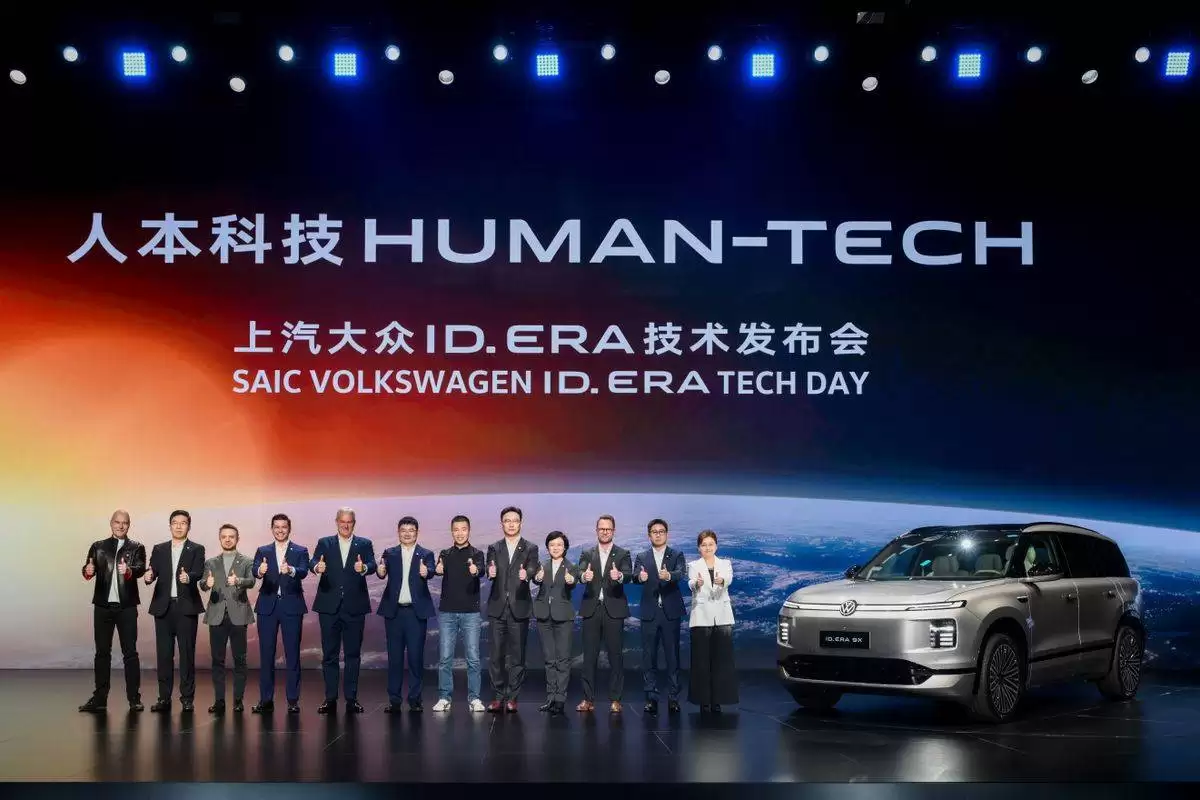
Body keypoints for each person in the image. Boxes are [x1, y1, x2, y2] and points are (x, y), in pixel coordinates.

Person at [79, 509, 148, 713]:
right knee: (102, 653)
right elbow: (88, 569)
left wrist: (129, 571)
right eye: (117, 522)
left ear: (129, 525)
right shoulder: (98, 546)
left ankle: (134, 699)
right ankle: (100, 699)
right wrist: (87, 571)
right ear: (111, 523)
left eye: (124, 522)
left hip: (127, 608)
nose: (120, 525)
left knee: (130, 653)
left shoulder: (137, 547)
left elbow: (140, 569)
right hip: (103, 607)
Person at [311, 507, 377, 713]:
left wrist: (364, 568)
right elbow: (314, 561)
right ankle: (330, 699)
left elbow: (373, 564)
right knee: (329, 655)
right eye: (342, 521)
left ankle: (351, 699)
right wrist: (317, 568)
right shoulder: (325, 543)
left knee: (353, 655)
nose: (345, 525)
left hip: (354, 607)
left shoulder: (364, 544)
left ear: (354, 523)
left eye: (349, 522)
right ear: (336, 522)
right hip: (328, 607)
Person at [144, 510, 206, 712]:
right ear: (170, 526)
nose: (179, 526)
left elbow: (199, 571)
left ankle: (187, 698)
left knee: (187, 654)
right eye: (175, 523)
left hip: (186, 607)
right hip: (163, 607)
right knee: (164, 655)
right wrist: (148, 576)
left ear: (189, 526)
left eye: (183, 523)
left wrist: (189, 577)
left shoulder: (196, 549)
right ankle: (164, 698)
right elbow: (152, 571)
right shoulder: (159, 549)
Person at [376, 516, 437, 712]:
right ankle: (394, 700)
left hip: (415, 613)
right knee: (394, 658)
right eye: (403, 530)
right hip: (394, 613)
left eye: (411, 530)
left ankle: (415, 699)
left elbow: (431, 571)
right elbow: (381, 572)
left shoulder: (426, 554)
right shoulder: (390, 553)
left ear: (417, 533)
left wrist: (426, 572)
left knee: (415, 658)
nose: (407, 534)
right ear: (398, 532)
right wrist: (380, 571)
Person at [251, 513, 309, 714]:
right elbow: (255, 569)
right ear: (272, 529)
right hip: (267, 606)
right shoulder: (263, 550)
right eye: (276, 527)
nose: (280, 530)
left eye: (284, 527)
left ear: (289, 528)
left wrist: (291, 570)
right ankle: (266, 700)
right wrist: (260, 570)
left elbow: (304, 571)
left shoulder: (300, 550)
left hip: (292, 606)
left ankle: (292, 700)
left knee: (292, 654)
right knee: (266, 654)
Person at [484, 505, 540, 712]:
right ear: (502, 524)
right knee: (496, 655)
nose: (511, 524)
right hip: (498, 607)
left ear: (520, 523)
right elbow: (490, 567)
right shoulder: (494, 547)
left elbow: (533, 566)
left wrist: (529, 574)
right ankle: (498, 696)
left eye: (515, 520)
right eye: (507, 521)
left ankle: (513, 697)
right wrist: (490, 571)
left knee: (517, 656)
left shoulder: (530, 547)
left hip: (519, 607)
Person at [576, 514, 633, 714]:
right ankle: (588, 699)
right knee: (589, 656)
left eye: (608, 529)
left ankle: (616, 699)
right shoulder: (587, 553)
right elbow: (579, 573)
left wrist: (620, 576)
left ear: (613, 531)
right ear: (597, 530)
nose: (605, 531)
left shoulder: (623, 553)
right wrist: (584, 576)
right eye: (602, 528)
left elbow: (629, 575)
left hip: (613, 609)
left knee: (615, 656)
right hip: (592, 608)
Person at [199, 524, 256, 714]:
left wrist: (238, 581)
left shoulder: (246, 561)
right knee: (217, 660)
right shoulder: (211, 562)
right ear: (220, 538)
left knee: (240, 660)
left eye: (231, 536)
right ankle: (219, 701)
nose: (228, 539)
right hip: (217, 615)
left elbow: (252, 581)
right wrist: (206, 584)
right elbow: (202, 584)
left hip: (238, 615)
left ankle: (238, 700)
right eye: (224, 536)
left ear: (237, 539)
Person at [432, 515, 487, 713]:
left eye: (463, 529)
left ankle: (475, 698)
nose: (460, 533)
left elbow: (481, 571)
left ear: (469, 530)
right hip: (447, 612)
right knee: (445, 657)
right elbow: (437, 569)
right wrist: (438, 569)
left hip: (471, 612)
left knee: (473, 657)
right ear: (452, 531)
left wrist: (475, 570)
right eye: (456, 529)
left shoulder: (477, 553)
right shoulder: (445, 554)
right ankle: (444, 697)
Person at [634, 518, 686, 714]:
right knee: (649, 657)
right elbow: (635, 576)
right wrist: (640, 577)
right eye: (654, 532)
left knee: (673, 657)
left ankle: (673, 698)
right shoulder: (642, 556)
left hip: (670, 613)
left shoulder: (676, 554)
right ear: (649, 535)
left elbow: (681, 573)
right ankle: (651, 698)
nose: (658, 534)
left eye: (661, 531)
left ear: (667, 534)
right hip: (650, 612)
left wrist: (669, 576)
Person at [687, 529, 739, 712]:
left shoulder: (725, 564)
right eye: (704, 545)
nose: (707, 548)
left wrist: (722, 580)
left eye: (710, 544)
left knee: (721, 660)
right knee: (701, 661)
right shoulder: (694, 565)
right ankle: (703, 700)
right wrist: (697, 584)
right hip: (701, 617)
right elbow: (690, 583)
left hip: (722, 616)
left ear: (716, 546)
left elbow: (729, 579)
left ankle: (718, 700)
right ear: (698, 548)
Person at [532, 531, 578, 716]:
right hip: (544, 616)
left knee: (563, 660)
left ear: (565, 547)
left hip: (563, 617)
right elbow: (536, 580)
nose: (555, 548)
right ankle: (550, 697)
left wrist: (571, 580)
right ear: (547, 548)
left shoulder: (571, 567)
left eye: (559, 544)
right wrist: (537, 578)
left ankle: (560, 698)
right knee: (549, 659)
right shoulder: (542, 566)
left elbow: (573, 582)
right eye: (552, 545)